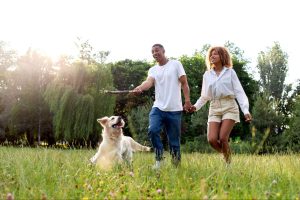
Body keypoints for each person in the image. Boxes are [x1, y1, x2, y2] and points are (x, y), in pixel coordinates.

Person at [133, 44, 192, 169]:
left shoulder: (176, 64)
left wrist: (187, 101)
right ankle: (159, 160)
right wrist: (140, 87)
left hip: (175, 109)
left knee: (174, 141)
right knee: (153, 130)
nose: (155, 53)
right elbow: (148, 82)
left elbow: (184, 83)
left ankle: (176, 167)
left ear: (163, 51)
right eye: (152, 52)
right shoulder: (153, 70)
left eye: (157, 50)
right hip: (158, 108)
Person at [189, 46, 252, 164]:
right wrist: (195, 106)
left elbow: (239, 92)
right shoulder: (207, 75)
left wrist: (246, 110)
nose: (212, 56)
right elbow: (205, 96)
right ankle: (227, 156)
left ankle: (228, 165)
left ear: (222, 56)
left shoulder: (230, 72)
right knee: (212, 139)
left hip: (229, 106)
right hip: (214, 107)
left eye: (215, 54)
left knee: (223, 138)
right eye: (211, 54)